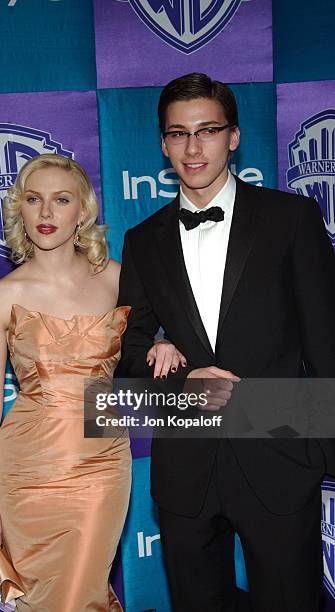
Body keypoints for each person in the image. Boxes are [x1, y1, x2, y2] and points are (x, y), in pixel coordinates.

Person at [117, 73, 335, 611]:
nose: (193, 148)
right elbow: (126, 353)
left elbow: (327, 342)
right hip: (186, 472)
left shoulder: (292, 218)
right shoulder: (141, 241)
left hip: (281, 459)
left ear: (233, 137)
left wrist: (320, 453)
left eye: (208, 130)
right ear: (164, 143)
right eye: (178, 134)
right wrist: (179, 377)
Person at [0, 153, 184, 611]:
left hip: (102, 463)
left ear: (82, 212)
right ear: (19, 209)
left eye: (61, 200)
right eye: (34, 200)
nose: (46, 214)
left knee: (79, 596)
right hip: (25, 470)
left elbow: (155, 337)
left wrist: (162, 342)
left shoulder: (118, 280)